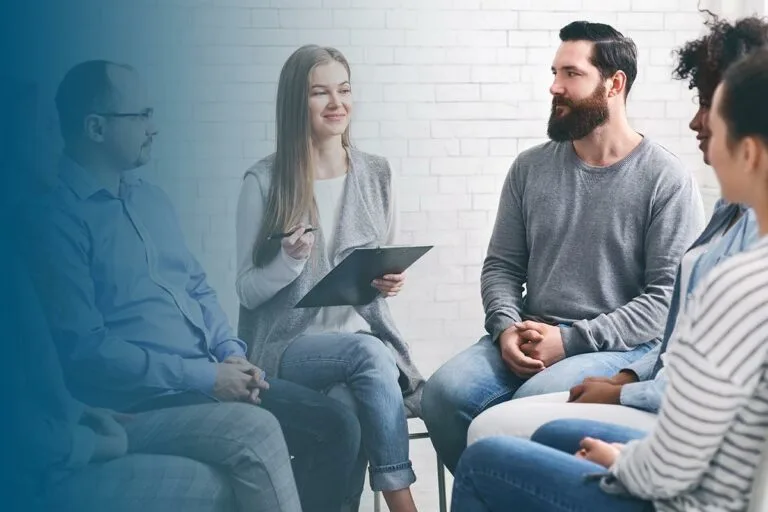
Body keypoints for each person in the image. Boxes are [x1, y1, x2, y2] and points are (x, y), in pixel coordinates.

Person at [29, 59, 359, 512]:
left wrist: (231, 354)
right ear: (96, 128)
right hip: (142, 401)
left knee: (336, 422)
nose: (153, 127)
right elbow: (87, 353)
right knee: (256, 429)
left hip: (206, 375)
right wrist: (208, 376)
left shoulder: (151, 199)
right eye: (140, 115)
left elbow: (199, 289)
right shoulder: (56, 220)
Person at [451, 45, 768, 512]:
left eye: (712, 119)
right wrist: (506, 326)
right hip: (688, 465)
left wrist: (621, 458)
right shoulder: (734, 232)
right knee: (466, 399)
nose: (696, 128)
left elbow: (675, 461)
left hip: (689, 497)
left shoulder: (737, 278)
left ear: (747, 151)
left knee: (484, 459)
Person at [421, 20, 705, 472]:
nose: (555, 86)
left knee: (537, 401)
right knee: (442, 394)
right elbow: (502, 266)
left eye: (571, 74)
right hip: (533, 331)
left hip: (621, 346)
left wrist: (571, 341)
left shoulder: (666, 180)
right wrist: (505, 327)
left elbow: (667, 300)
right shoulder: (529, 168)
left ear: (614, 84)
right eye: (555, 73)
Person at [236, 44, 423, 512]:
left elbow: (385, 260)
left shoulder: (378, 173)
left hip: (360, 345)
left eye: (344, 90)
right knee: (367, 353)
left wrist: (390, 281)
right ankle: (402, 501)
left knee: (347, 408)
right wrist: (287, 262)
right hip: (288, 347)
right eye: (320, 93)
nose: (336, 103)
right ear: (296, 103)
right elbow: (246, 290)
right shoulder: (263, 182)